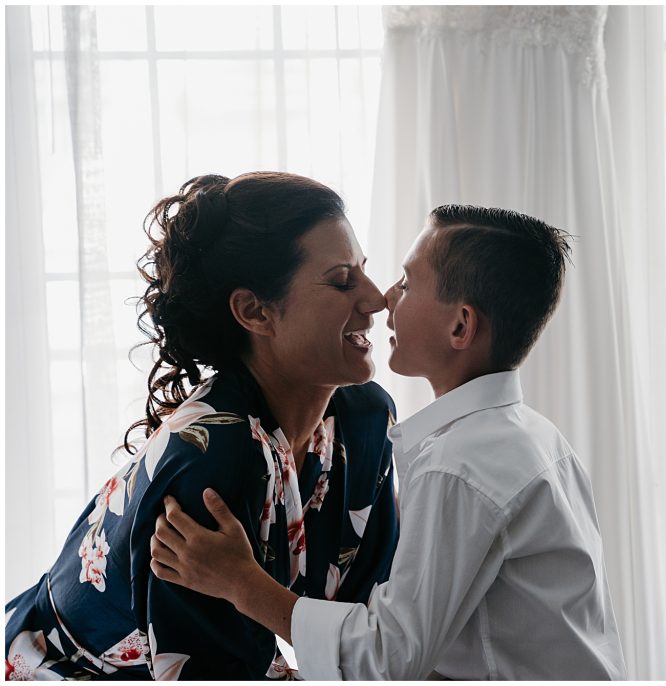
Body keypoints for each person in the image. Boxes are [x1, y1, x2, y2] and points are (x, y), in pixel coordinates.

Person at [150, 204, 628, 679]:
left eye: (407, 282)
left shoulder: (459, 465)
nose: (384, 297)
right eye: (345, 279)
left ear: (460, 326)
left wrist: (242, 583)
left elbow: (388, 657)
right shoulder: (535, 438)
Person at [4, 173, 401, 680]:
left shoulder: (365, 419)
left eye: (364, 272)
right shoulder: (209, 462)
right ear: (254, 311)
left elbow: (375, 641)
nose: (376, 299)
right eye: (343, 280)